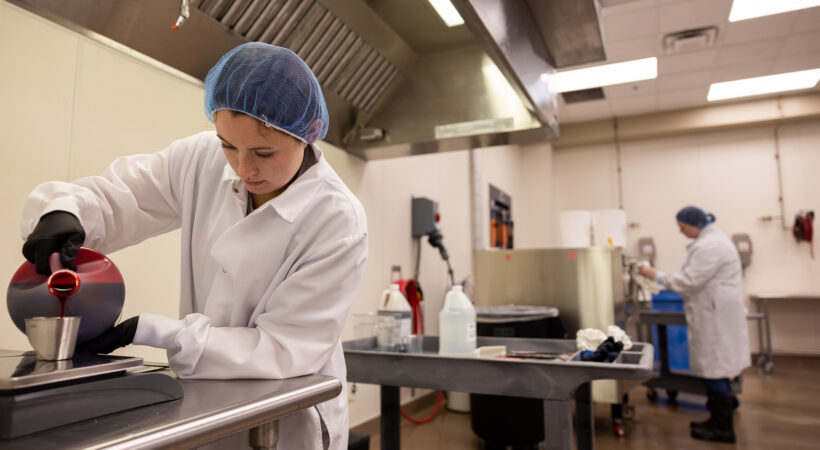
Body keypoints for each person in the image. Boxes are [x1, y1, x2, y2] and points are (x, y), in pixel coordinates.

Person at [20, 42, 367, 450]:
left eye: (263, 152)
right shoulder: (201, 158)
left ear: (306, 135)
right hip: (206, 405)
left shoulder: (337, 219)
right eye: (228, 145)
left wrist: (155, 331)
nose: (242, 167)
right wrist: (64, 211)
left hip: (291, 418)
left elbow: (283, 350)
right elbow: (122, 195)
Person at [639, 205, 750, 443]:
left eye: (681, 228)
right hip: (714, 313)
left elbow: (688, 281)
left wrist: (653, 273)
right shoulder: (710, 242)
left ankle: (723, 430)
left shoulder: (711, 246)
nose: (681, 232)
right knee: (716, 368)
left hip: (715, 317)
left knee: (716, 370)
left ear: (693, 225)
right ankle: (717, 421)